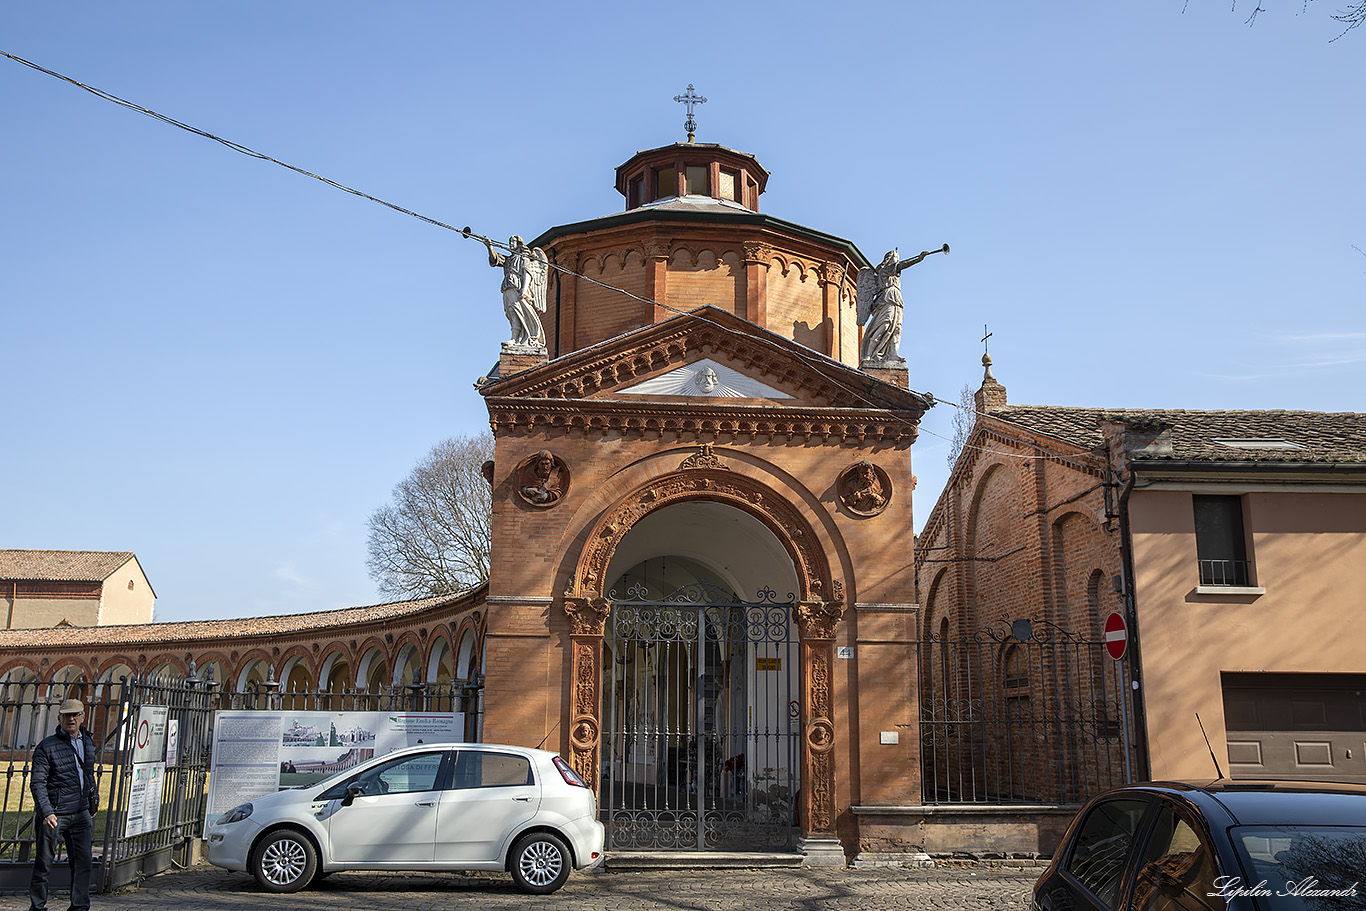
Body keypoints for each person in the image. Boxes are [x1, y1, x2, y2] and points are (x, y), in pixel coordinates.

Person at [29, 698, 98, 911]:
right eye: (66, 715)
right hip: (55, 814)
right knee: (44, 863)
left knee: (83, 863)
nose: (71, 719)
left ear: (82, 717)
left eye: (75, 714)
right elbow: (37, 783)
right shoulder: (46, 746)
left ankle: (79, 907)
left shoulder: (87, 741)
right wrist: (47, 812)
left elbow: (89, 773)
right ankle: (38, 907)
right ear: (59, 718)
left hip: (81, 813)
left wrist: (92, 802)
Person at [485, 235, 549, 349]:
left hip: (518, 287)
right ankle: (515, 338)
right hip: (508, 287)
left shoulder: (523, 258)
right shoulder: (509, 259)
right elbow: (495, 259)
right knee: (510, 312)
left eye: (513, 241)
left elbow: (527, 273)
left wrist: (524, 289)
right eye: (510, 241)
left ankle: (520, 337)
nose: (511, 243)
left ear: (519, 243)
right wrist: (489, 247)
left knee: (518, 310)